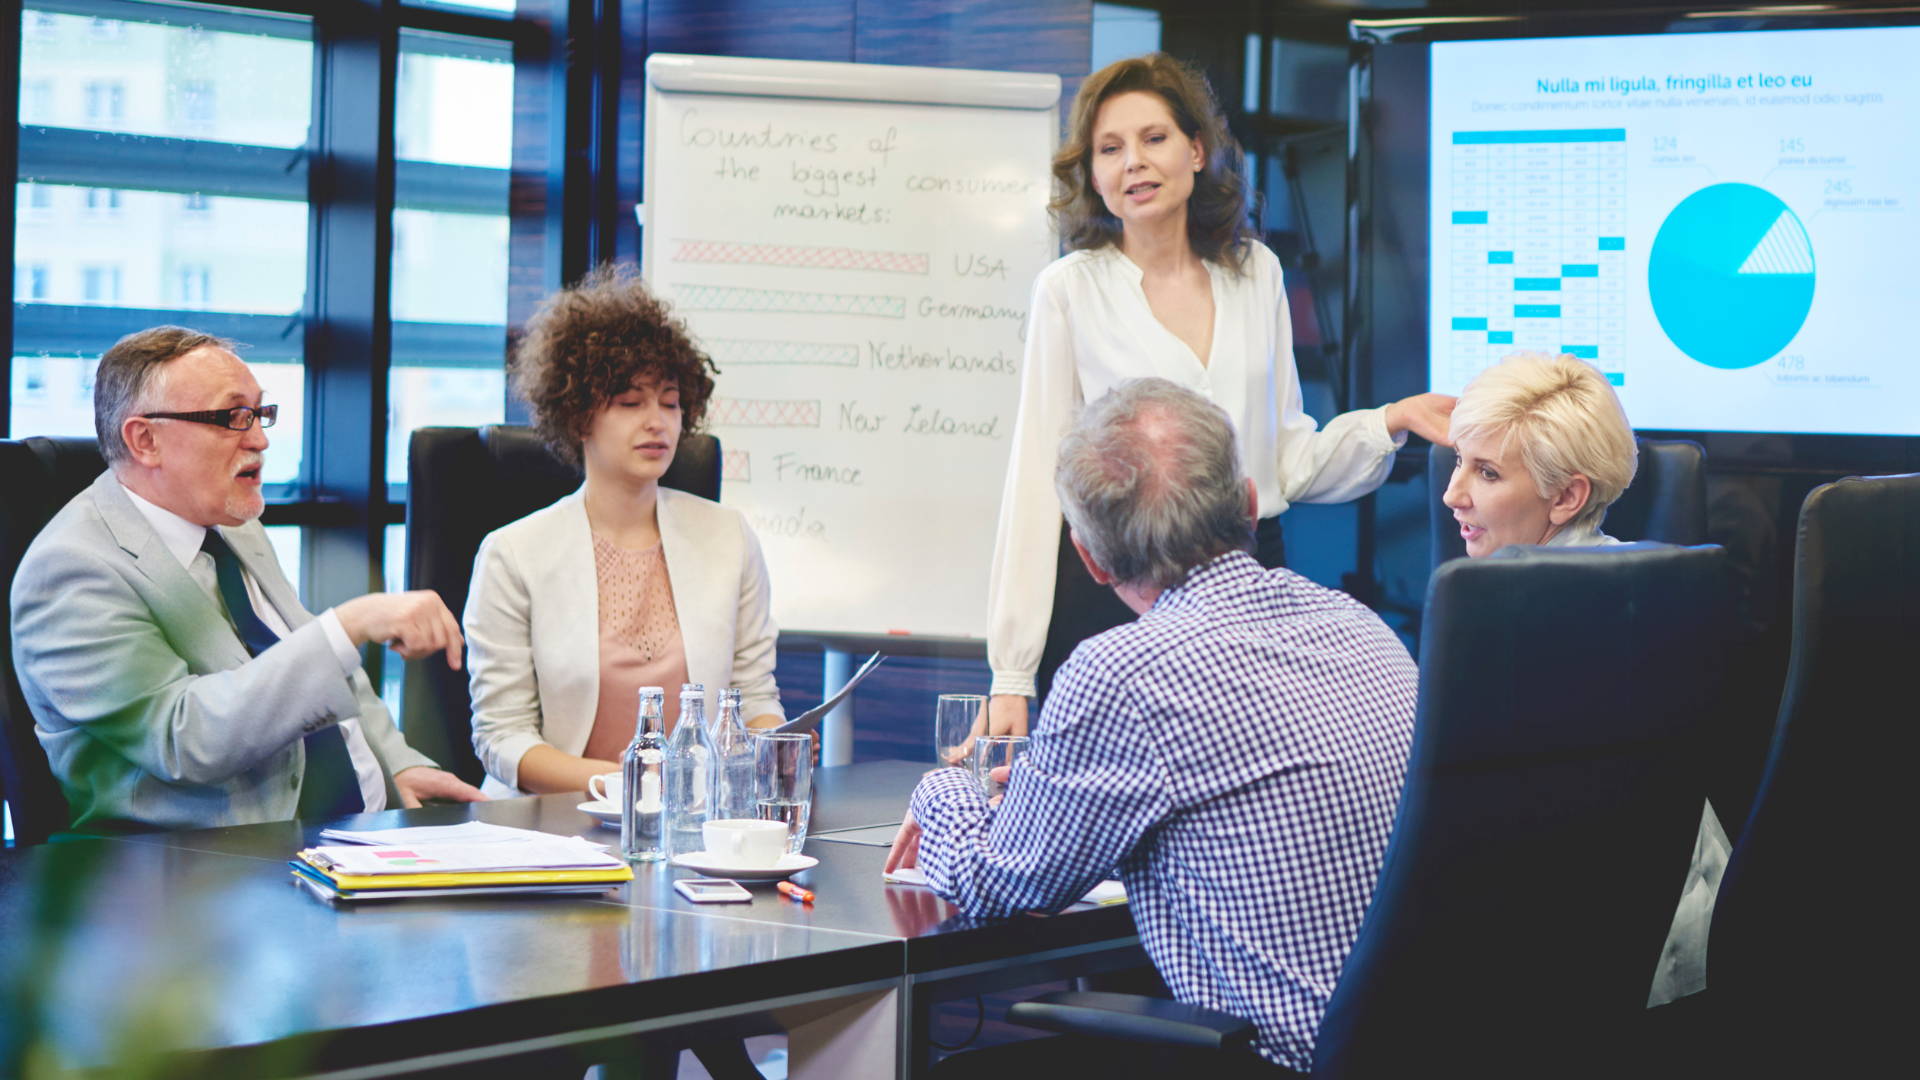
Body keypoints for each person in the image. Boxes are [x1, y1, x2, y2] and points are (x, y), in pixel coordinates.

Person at [889, 378, 1420, 1076]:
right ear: (1251, 504)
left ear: (1091, 558)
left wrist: (943, 790)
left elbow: (999, 885)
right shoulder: (1362, 626)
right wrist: (1064, 794)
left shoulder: (1123, 672)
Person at [985, 53, 1455, 738]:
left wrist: (1392, 421)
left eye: (1154, 139)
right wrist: (1011, 673)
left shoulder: (1254, 272)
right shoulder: (1069, 288)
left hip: (1247, 575)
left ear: (1197, 150)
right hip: (1124, 586)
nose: (1133, 164)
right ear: (1092, 174)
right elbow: (1038, 482)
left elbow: (1286, 459)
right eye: (1109, 149)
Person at [11, 327, 484, 833]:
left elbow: (316, 664)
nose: (259, 438)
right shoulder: (69, 569)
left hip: (357, 835)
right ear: (145, 440)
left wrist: (397, 762)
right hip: (198, 873)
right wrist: (350, 624)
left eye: (260, 413)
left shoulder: (233, 524)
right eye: (232, 417)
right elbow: (183, 739)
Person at [1443, 350, 1728, 1006]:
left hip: (1586, 968)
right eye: (1459, 461)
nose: (1452, 493)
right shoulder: (1644, 577)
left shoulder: (1511, 629)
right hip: (1691, 939)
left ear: (1567, 496)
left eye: (1485, 472)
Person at [464, 267, 783, 798]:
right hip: (551, 828)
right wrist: (627, 784)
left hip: (693, 823)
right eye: (631, 402)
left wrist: (774, 746)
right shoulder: (514, 553)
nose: (658, 421)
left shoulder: (728, 537)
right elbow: (502, 736)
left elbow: (753, 698)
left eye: (671, 401)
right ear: (579, 416)